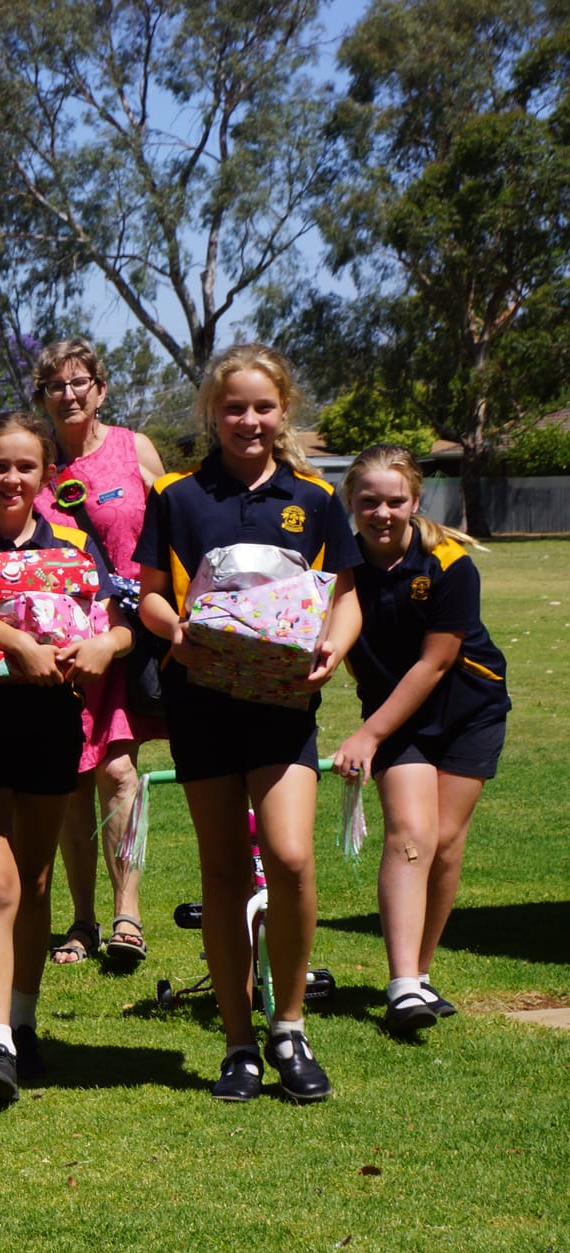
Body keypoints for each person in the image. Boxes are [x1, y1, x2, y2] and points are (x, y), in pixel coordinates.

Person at [135, 344, 361, 1103]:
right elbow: (152, 596)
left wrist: (336, 644)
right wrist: (180, 632)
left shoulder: (316, 499)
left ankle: (288, 1025)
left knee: (291, 860)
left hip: (283, 703)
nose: (249, 420)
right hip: (202, 698)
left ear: (283, 410)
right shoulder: (177, 495)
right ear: (213, 412)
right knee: (225, 871)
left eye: (263, 406)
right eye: (234, 407)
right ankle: (238, 1043)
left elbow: (347, 595)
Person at [0, 412, 132, 1103]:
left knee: (36, 881)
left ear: (48, 476)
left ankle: (24, 1024)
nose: (12, 479)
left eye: (27, 466)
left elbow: (118, 620)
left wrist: (104, 649)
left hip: (54, 722)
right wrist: (12, 641)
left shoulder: (79, 544)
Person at [329, 447, 509, 1036]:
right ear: (351, 502)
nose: (382, 512)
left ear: (415, 500)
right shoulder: (340, 563)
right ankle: (403, 984)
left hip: (467, 711)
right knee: (411, 835)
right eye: (368, 501)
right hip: (397, 718)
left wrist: (365, 735)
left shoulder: (450, 564)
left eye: (395, 500)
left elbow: (436, 663)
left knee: (446, 843)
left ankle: (421, 974)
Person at [29, 337, 169, 970]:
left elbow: (171, 529)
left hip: (125, 635)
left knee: (117, 771)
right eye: (56, 385)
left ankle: (127, 912)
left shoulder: (132, 448)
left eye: (80, 381)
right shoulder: (34, 464)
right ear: (43, 397)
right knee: (71, 780)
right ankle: (81, 921)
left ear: (101, 388)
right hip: (61, 643)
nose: (70, 394)